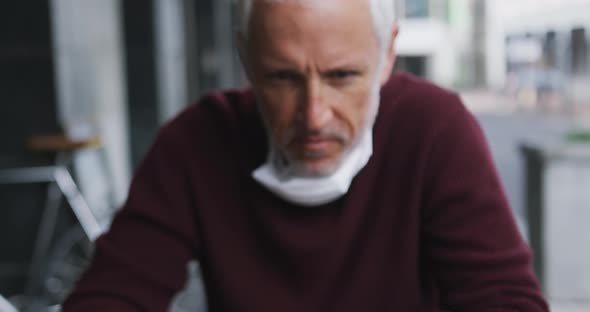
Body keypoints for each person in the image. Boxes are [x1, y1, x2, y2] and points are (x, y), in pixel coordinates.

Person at [63, 0, 549, 311]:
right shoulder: (197, 142)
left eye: (341, 77)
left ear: (387, 57)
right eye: (282, 78)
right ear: (246, 58)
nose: (314, 116)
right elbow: (112, 295)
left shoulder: (433, 128)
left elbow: (504, 299)